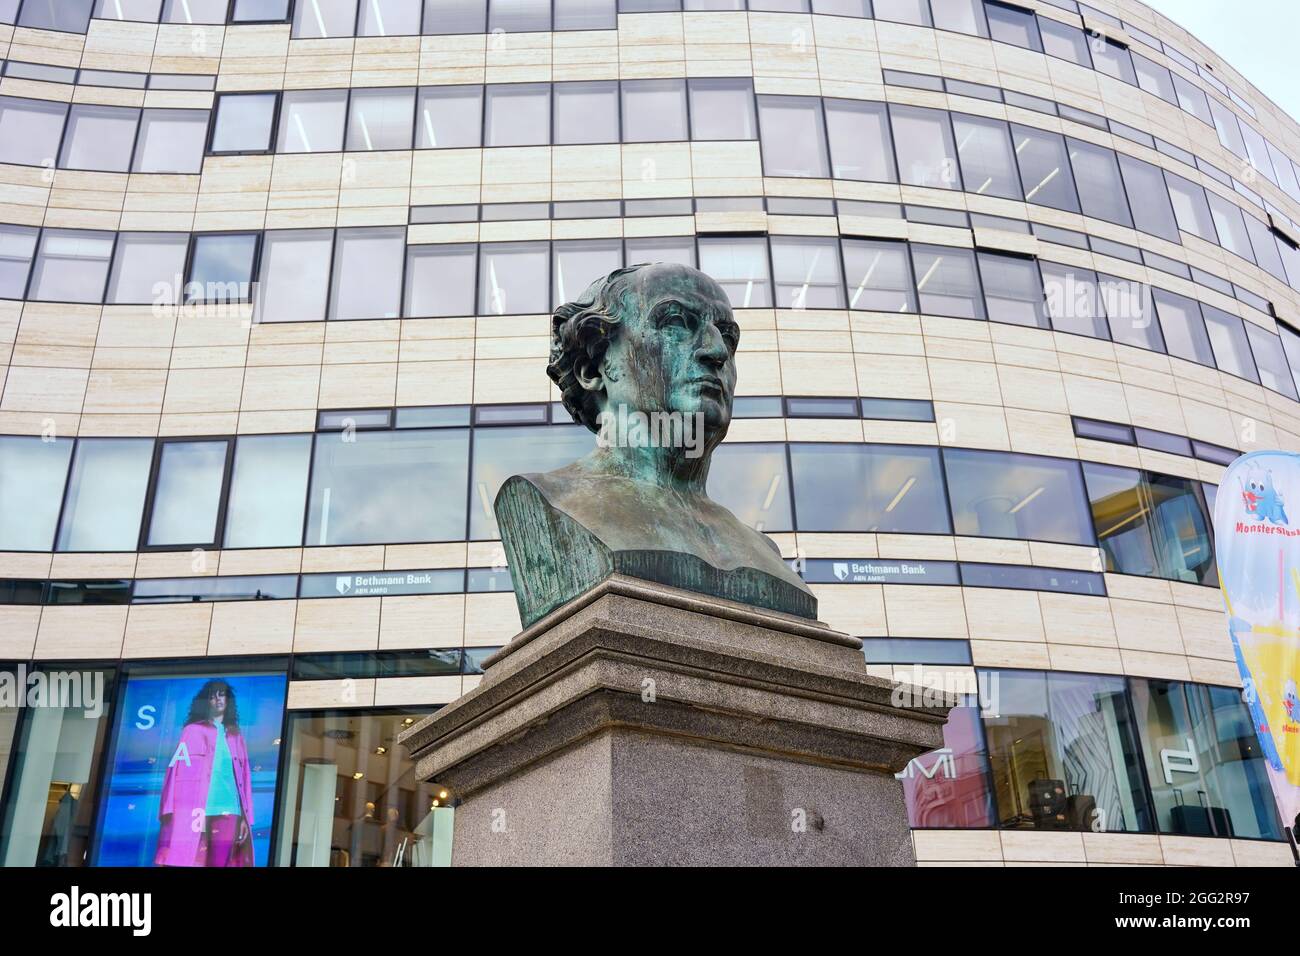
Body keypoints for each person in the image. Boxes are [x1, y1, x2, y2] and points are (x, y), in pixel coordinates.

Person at [495, 262, 817, 627]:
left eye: (727, 336)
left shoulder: (763, 552)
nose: (717, 352)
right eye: (675, 323)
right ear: (593, 369)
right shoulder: (546, 503)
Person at [155, 679, 255, 867]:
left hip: (229, 811)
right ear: (205, 701)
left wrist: (246, 818)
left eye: (221, 694)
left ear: (228, 700)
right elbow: (173, 771)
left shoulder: (236, 737)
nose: (217, 698)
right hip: (195, 810)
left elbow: (244, 779)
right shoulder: (191, 731)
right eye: (212, 695)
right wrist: (168, 810)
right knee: (189, 860)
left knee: (219, 863)